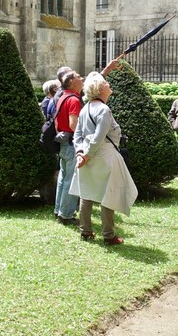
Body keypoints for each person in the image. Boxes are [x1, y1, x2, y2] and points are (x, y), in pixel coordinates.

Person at [70, 72, 138, 245]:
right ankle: (109, 235)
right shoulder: (104, 110)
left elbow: (77, 135)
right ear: (100, 89)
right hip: (104, 156)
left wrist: (80, 153)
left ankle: (85, 231)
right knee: (108, 194)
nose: (109, 85)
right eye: (106, 83)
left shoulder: (85, 108)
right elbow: (99, 137)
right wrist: (85, 154)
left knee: (87, 193)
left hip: (88, 155)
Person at [53, 71, 83, 224]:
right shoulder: (74, 100)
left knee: (63, 178)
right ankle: (66, 215)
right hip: (72, 144)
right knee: (71, 180)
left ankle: (59, 210)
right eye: (78, 77)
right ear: (71, 82)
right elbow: (73, 124)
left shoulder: (62, 97)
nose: (82, 78)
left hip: (64, 143)